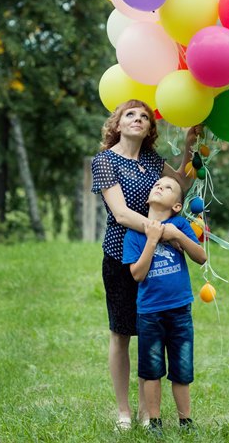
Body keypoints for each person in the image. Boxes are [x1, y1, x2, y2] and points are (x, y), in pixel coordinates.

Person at [91, 99, 199, 430]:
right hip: (122, 254)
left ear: (150, 128)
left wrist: (189, 148)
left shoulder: (151, 159)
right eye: (130, 115)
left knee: (149, 334)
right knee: (122, 332)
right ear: (118, 124)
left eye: (144, 117)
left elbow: (181, 185)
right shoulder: (105, 161)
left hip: (158, 257)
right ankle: (124, 411)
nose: (138, 119)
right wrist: (164, 232)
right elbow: (121, 214)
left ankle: (145, 411)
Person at [122, 175, 207, 435]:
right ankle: (155, 423)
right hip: (149, 312)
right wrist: (152, 239)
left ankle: (186, 422)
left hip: (180, 309)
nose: (160, 186)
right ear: (148, 196)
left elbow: (201, 257)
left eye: (168, 187)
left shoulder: (180, 223)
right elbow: (137, 274)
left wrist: (176, 235)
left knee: (182, 369)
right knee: (151, 370)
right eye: (157, 184)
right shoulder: (135, 234)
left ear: (177, 206)